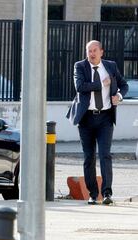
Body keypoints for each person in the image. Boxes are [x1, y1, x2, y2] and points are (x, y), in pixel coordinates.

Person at [66, 40, 128, 205]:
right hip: (86, 118)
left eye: (94, 51)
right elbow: (80, 87)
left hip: (105, 118)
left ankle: (107, 193)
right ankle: (93, 194)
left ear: (102, 52)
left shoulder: (111, 66)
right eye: (88, 51)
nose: (91, 54)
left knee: (105, 154)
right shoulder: (80, 66)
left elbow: (124, 85)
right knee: (89, 157)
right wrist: (102, 84)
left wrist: (119, 97)